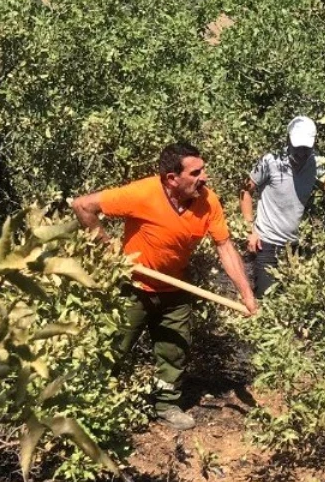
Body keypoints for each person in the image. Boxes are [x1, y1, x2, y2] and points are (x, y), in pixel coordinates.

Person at [71, 143, 257, 431]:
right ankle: (92, 405)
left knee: (174, 349)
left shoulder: (209, 202)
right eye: (196, 172)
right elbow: (82, 205)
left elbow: (225, 248)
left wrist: (246, 294)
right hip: (132, 287)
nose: (204, 177)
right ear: (172, 178)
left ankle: (165, 404)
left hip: (175, 288)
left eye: (203, 169)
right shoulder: (143, 193)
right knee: (113, 348)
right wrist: (109, 252)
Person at [240, 115, 322, 298]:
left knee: (291, 302)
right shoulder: (271, 161)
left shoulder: (316, 164)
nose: (301, 154)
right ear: (288, 141)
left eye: (305, 149)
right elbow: (245, 191)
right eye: (297, 147)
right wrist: (249, 229)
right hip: (266, 242)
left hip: (293, 246)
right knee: (267, 299)